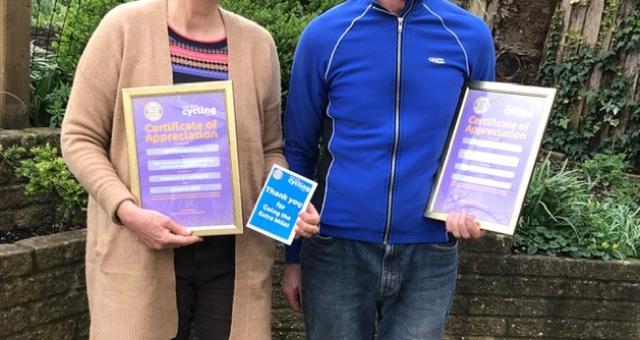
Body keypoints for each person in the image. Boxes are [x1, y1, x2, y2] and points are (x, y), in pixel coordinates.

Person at [61, 0, 319, 339]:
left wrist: (288, 203)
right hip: (141, 251)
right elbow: (80, 136)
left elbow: (269, 148)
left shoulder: (257, 44)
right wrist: (126, 210)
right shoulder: (122, 28)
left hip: (232, 259)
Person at [282, 0, 495, 338]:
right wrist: (292, 256)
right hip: (336, 249)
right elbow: (297, 147)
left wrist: (479, 204)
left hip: (429, 252)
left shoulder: (468, 36)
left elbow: (482, 139)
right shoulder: (324, 35)